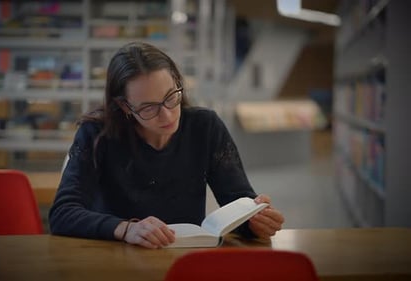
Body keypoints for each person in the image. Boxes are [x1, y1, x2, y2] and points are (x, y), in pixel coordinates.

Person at [49, 42, 284, 249]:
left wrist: (254, 222)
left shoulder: (204, 126)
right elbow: (62, 213)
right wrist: (126, 229)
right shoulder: (96, 134)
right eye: (149, 107)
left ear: (177, 83)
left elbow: (238, 199)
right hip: (115, 260)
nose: (168, 115)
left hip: (186, 259)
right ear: (124, 107)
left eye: (171, 96)